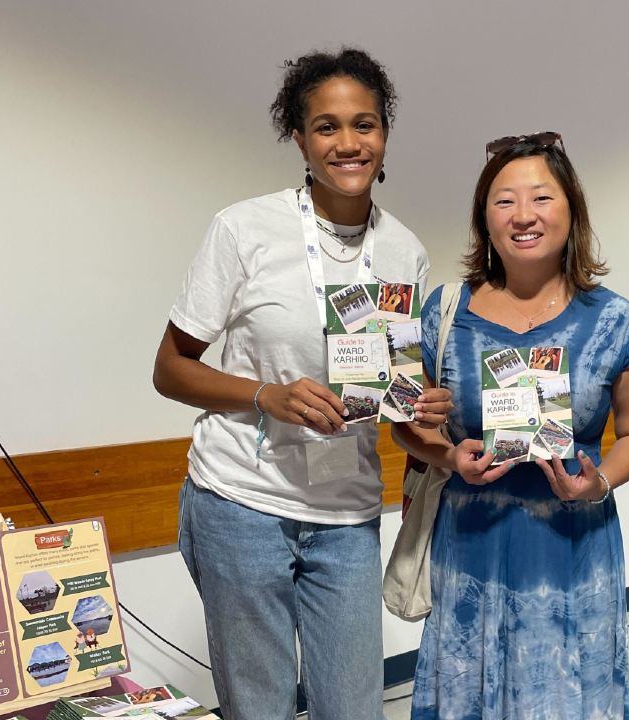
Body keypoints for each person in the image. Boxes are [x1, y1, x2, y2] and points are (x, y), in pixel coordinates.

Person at [152, 48, 452, 720]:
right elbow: (169, 370)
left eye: (364, 124)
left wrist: (427, 412)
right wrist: (268, 395)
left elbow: (397, 405)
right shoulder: (245, 229)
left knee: (353, 708)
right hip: (240, 504)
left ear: (385, 132)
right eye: (327, 127)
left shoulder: (405, 252)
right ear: (300, 137)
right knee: (258, 708)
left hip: (345, 512)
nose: (348, 143)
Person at [392, 134, 629, 719]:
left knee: (566, 697)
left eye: (541, 197)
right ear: (484, 218)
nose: (524, 215)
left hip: (573, 547)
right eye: (504, 201)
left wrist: (599, 482)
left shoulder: (613, 320)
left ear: (571, 210)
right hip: (471, 545)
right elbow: (405, 426)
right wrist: (446, 455)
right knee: (470, 694)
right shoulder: (443, 312)